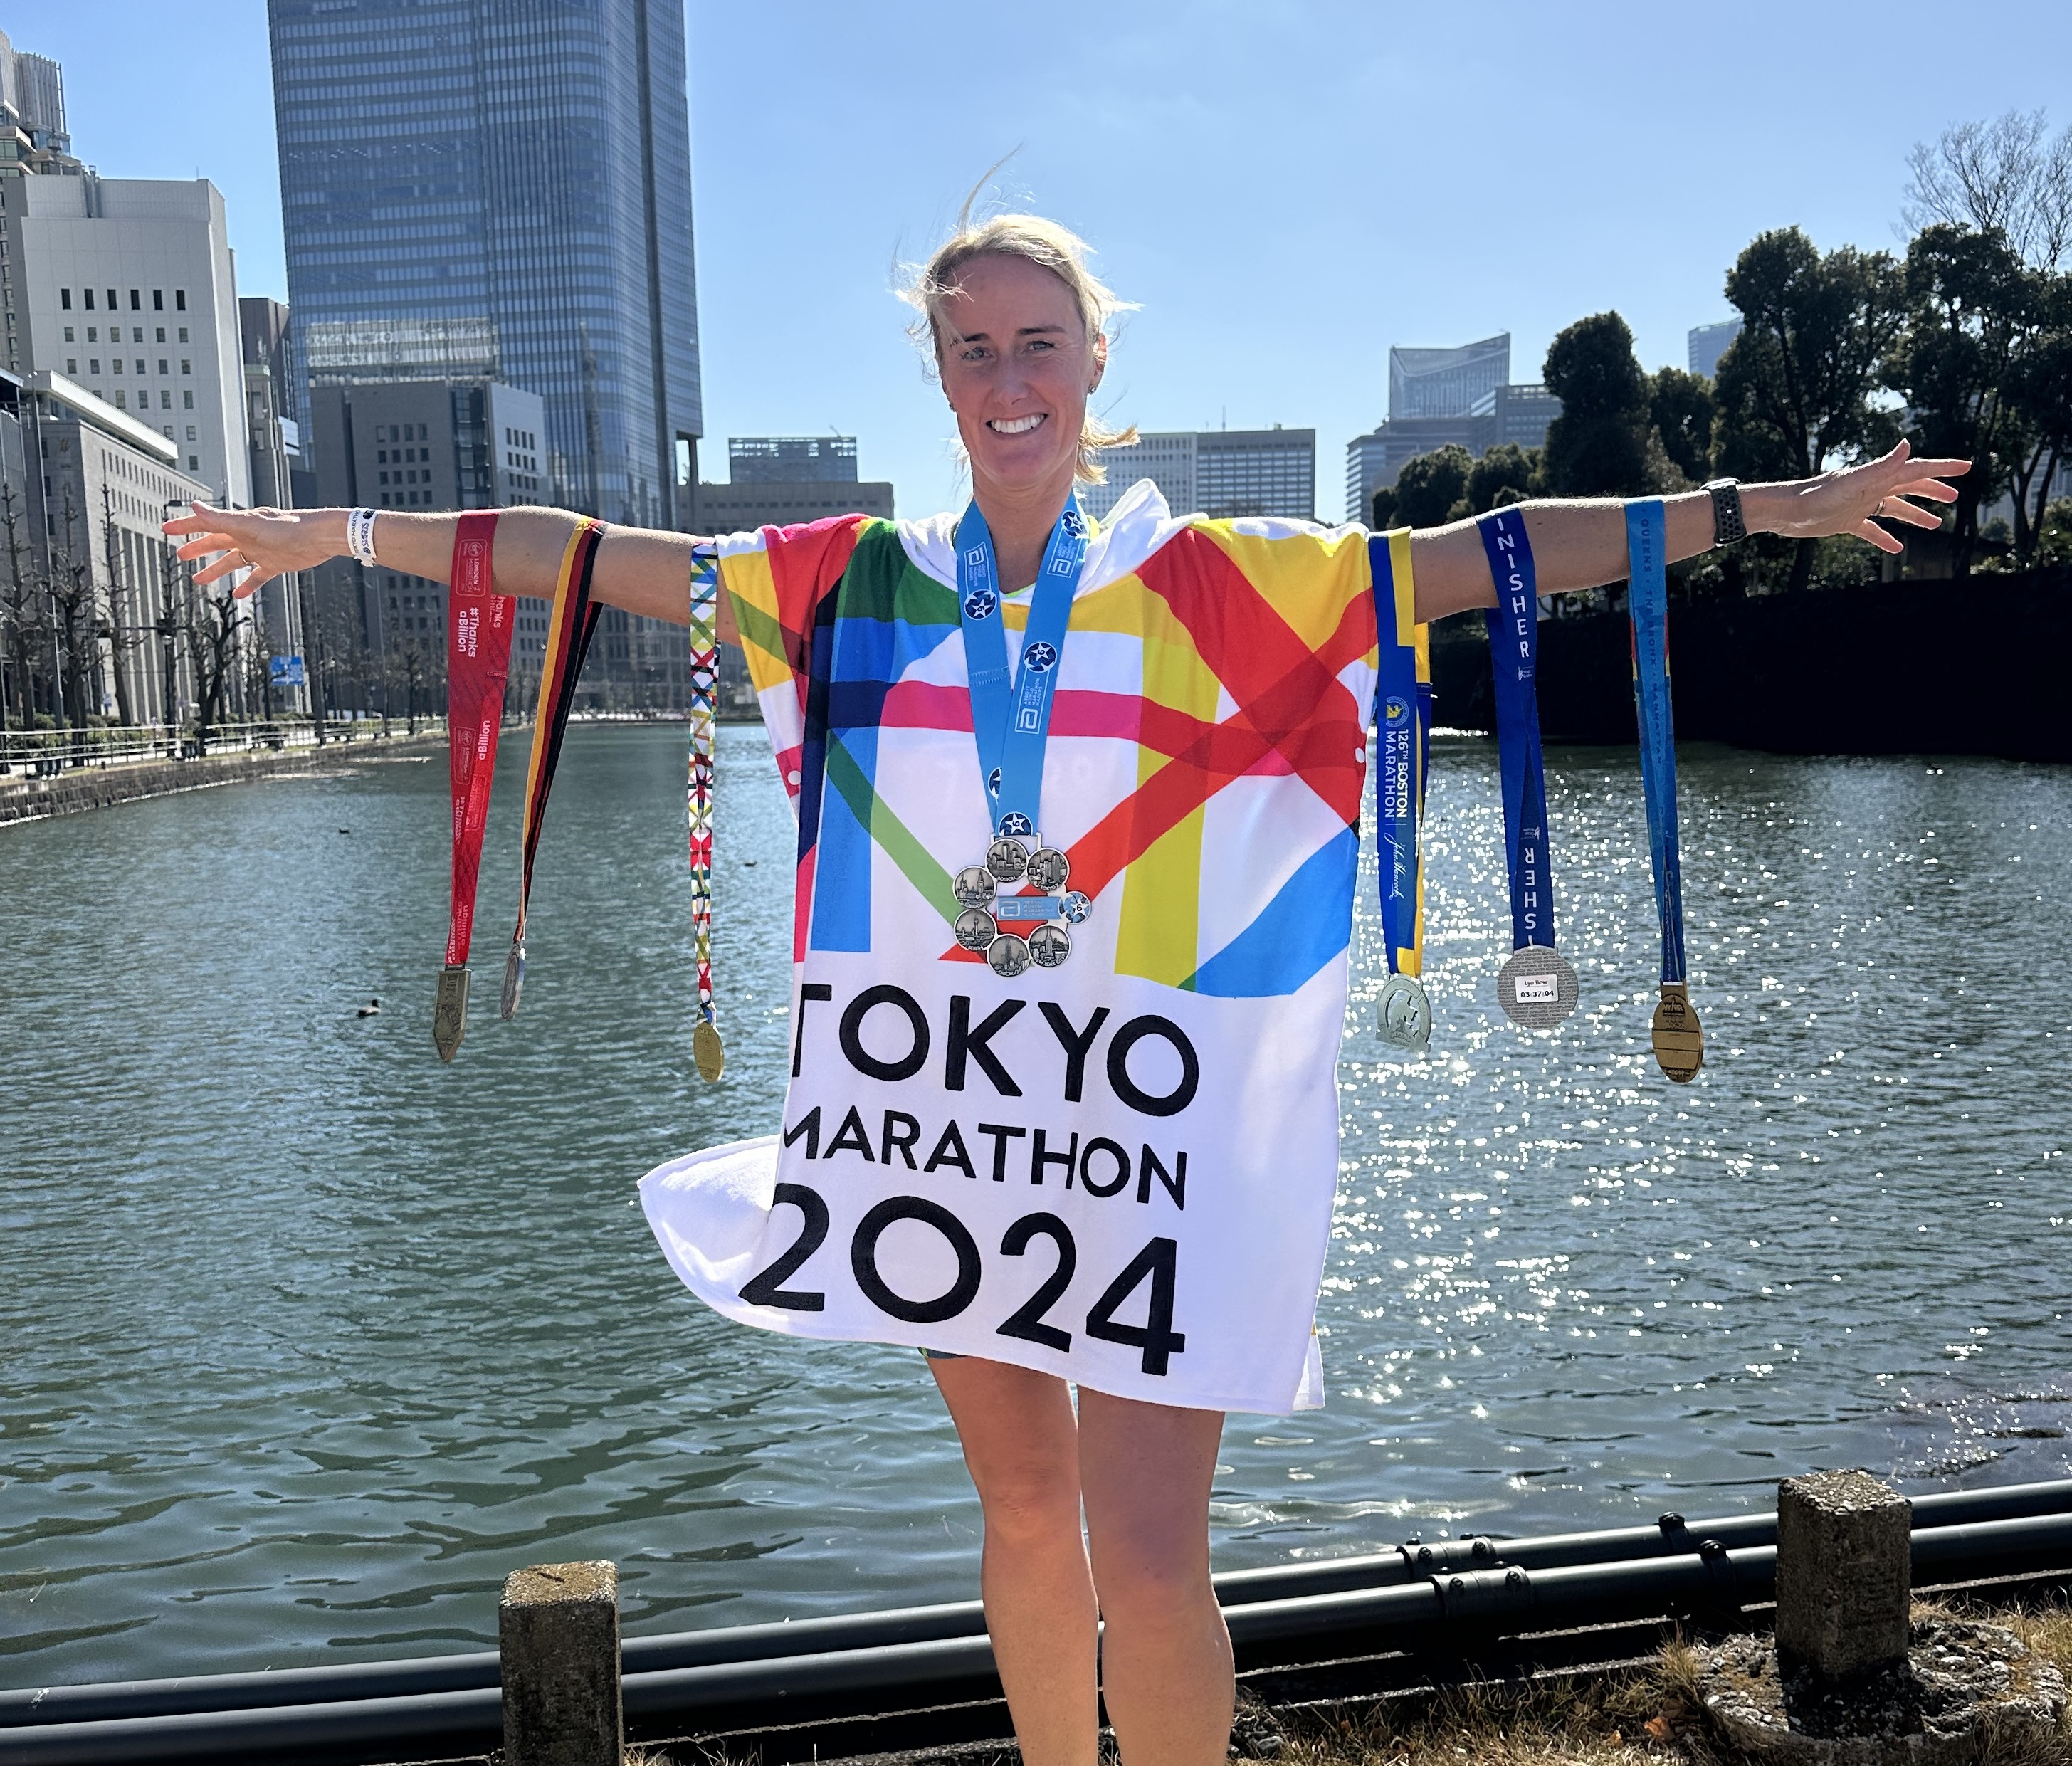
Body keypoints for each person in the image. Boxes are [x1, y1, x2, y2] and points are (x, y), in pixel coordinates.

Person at [169, 211, 1965, 1766]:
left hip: (1153, 1137)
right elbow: (582, 563)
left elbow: (1485, 556)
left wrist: (1771, 504)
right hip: (962, 1130)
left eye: (1038, 342)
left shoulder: (1223, 580)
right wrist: (339, 530)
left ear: (1092, 362)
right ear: (939, 376)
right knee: (1022, 1509)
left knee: (1148, 1535)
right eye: (971, 349)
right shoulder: (846, 587)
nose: (1006, 376)